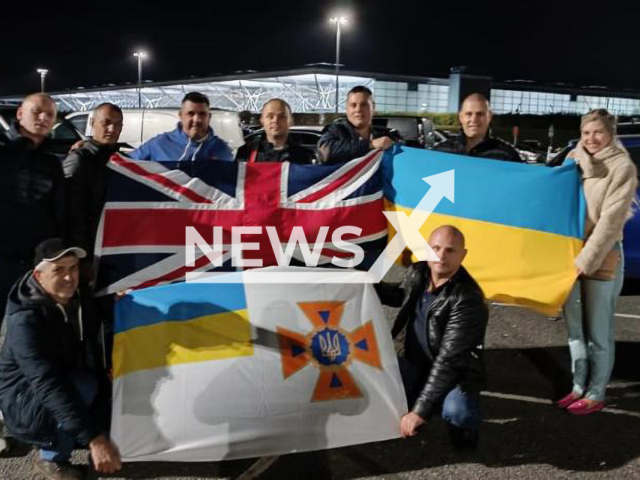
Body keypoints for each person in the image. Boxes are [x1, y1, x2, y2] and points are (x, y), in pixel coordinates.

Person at [0, 238, 121, 479]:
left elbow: (106, 315)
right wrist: (94, 440)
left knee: (96, 388)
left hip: (64, 377)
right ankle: (49, 457)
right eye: (59, 270)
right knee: (82, 386)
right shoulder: (24, 321)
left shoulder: (78, 294)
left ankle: (71, 435)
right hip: (24, 399)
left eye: (73, 268)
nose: (69, 277)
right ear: (39, 275)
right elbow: (48, 384)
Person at [556, 109, 638, 415]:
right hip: (568, 253)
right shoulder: (572, 160)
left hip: (601, 257)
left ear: (610, 134)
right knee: (574, 329)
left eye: (598, 133)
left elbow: (609, 223)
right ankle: (578, 386)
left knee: (598, 332)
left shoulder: (622, 168)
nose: (591, 139)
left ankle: (596, 392)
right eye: (586, 133)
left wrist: (584, 260)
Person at [376, 225, 488, 449]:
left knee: (458, 410)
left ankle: (465, 431)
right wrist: (365, 285)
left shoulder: (468, 299)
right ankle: (419, 398)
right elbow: (400, 295)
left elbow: (449, 361)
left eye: (450, 250)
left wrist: (419, 412)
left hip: (455, 374)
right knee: (373, 372)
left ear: (463, 255)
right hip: (413, 362)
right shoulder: (420, 272)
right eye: (435, 248)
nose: (441, 256)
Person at [0, 93, 65, 324]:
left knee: (30, 325)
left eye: (50, 115)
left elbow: (58, 211)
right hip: (3, 258)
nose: (43, 118)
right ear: (19, 114)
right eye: (36, 111)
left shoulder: (52, 163)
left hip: (36, 263)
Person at [63, 103, 124, 276]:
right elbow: (72, 213)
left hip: (112, 250)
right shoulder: (79, 160)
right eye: (106, 122)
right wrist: (83, 256)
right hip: (89, 254)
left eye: (118, 124)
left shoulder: (122, 160)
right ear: (92, 122)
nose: (112, 129)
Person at [130, 92, 233, 162]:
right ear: (181, 115)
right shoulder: (159, 144)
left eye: (202, 114)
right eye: (190, 114)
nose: (196, 120)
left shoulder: (222, 149)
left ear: (209, 117)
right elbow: (125, 165)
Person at [317, 85, 400, 164]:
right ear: (347, 109)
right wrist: (370, 145)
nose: (358, 109)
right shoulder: (334, 130)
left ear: (373, 107)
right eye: (353, 105)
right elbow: (325, 152)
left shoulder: (385, 134)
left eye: (364, 105)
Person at [436, 93, 522, 162]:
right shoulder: (441, 151)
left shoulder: (507, 155)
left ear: (489, 117)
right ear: (461, 117)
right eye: (469, 114)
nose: (474, 119)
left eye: (480, 114)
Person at [235, 98, 315, 164]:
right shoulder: (245, 153)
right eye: (270, 116)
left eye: (281, 117)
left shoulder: (304, 156)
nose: (275, 120)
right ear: (262, 120)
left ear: (290, 121)